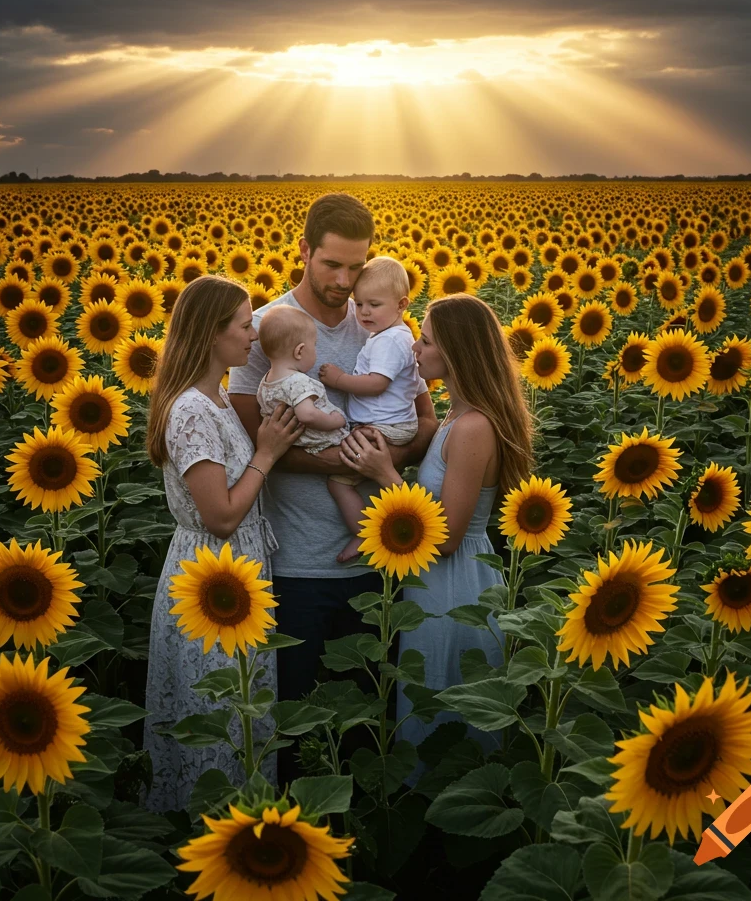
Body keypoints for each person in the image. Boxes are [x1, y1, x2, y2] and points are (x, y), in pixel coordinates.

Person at [229, 193, 438, 785]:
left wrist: (381, 462)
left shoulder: (380, 323)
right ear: (303, 251)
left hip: (378, 558)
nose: (345, 282)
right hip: (296, 562)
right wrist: (344, 464)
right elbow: (254, 444)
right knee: (297, 728)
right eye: (331, 265)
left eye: (356, 266)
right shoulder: (267, 328)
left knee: (367, 724)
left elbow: (425, 422)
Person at [337, 293, 534, 778]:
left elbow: (446, 535)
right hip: (439, 582)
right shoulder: (454, 417)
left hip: (456, 582)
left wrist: (386, 475)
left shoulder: (473, 427)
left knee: (448, 712)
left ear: (456, 352)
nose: (414, 350)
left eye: (424, 341)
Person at [143, 274, 303, 813]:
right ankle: (206, 840)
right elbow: (221, 515)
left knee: (241, 708)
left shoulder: (215, 400)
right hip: (209, 579)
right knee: (217, 712)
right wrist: (268, 452)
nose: (254, 333)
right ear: (212, 333)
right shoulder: (191, 410)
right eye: (243, 323)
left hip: (236, 573)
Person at [318, 256, 422, 563]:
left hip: (386, 427)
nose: (363, 312)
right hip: (389, 423)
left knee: (339, 482)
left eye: (373, 305)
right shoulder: (389, 335)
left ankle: (367, 535)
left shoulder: (390, 341)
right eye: (359, 303)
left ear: (402, 304)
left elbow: (377, 383)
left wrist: (339, 379)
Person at [256, 304, 352, 454]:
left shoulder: (265, 383)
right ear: (299, 351)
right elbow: (308, 415)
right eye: (314, 345)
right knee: (358, 460)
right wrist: (335, 420)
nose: (316, 351)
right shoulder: (297, 381)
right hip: (325, 440)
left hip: (296, 445)